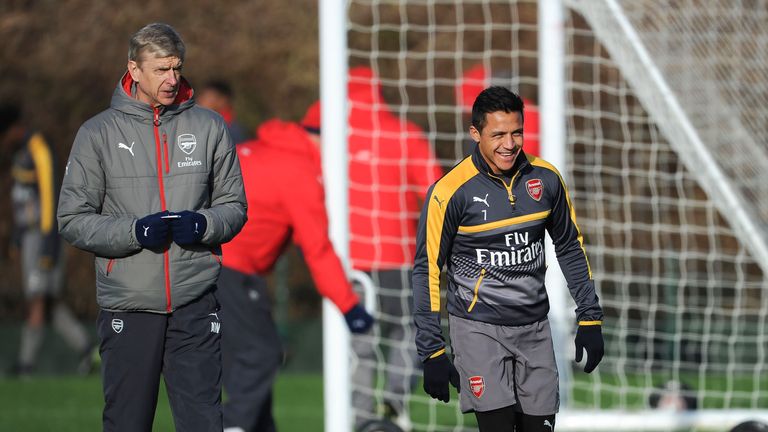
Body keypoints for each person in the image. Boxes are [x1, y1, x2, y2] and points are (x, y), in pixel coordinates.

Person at [56, 23, 247, 431]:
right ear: (134, 69)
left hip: (196, 301)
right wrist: (134, 233)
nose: (171, 79)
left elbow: (234, 208)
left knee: (204, 423)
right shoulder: (97, 134)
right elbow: (71, 219)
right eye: (160, 70)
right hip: (128, 304)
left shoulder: (210, 127)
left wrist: (204, 224)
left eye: (176, 68)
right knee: (128, 422)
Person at [412, 86, 604, 432]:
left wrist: (590, 317)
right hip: (478, 330)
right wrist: (431, 350)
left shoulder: (545, 179)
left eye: (517, 132)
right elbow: (427, 271)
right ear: (476, 133)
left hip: (535, 328)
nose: (509, 143)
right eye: (498, 134)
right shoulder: (449, 192)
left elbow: (569, 247)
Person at [304, 66, 444, 430]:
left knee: (358, 342)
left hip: (348, 260)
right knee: (414, 329)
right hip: (397, 257)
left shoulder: (329, 136)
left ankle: (361, 417)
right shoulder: (403, 134)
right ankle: (394, 401)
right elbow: (434, 192)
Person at [218, 117, 374, 432]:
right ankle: (231, 427)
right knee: (261, 354)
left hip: (203, 263)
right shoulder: (299, 171)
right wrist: (349, 306)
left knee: (246, 367)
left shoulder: (257, 148)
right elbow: (317, 249)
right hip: (228, 267)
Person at [1, 102, 94, 376]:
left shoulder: (39, 148)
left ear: (15, 129)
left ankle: (26, 365)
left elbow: (51, 198)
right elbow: (24, 201)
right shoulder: (20, 153)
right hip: (30, 238)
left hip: (43, 240)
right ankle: (89, 350)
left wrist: (48, 246)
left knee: (37, 301)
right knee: (50, 303)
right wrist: (17, 237)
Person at [196, 79, 249, 145]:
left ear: (223, 100)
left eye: (207, 97)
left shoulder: (230, 131)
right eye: (201, 96)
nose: (200, 100)